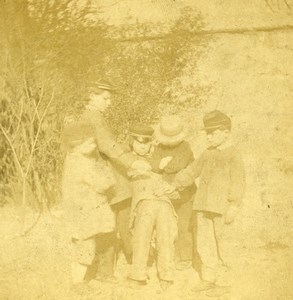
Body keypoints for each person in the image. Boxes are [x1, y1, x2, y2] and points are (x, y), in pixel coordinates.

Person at [174, 110, 246, 296]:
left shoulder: (234, 155)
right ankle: (209, 278)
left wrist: (234, 206)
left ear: (226, 132)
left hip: (222, 209)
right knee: (205, 243)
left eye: (212, 133)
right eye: (206, 133)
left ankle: (225, 281)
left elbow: (238, 182)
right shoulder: (206, 153)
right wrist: (175, 183)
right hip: (202, 207)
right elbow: (192, 171)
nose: (208, 137)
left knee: (224, 243)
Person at [78, 79, 134, 282]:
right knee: (108, 225)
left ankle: (103, 270)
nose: (109, 102)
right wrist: (132, 162)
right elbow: (107, 145)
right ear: (92, 96)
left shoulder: (93, 116)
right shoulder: (93, 117)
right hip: (106, 179)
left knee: (109, 224)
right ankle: (105, 273)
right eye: (105, 98)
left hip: (104, 177)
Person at [61, 122, 116, 285]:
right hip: (86, 212)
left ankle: (81, 278)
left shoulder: (72, 159)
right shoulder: (83, 164)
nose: (94, 147)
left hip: (78, 209)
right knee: (85, 247)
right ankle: (78, 283)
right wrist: (108, 174)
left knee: (83, 245)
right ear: (77, 144)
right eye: (90, 143)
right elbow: (103, 184)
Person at [127, 124, 179, 290]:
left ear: (151, 143)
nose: (142, 145)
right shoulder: (128, 159)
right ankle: (138, 275)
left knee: (166, 235)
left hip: (163, 202)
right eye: (138, 142)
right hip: (143, 203)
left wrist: (169, 189)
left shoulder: (158, 158)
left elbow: (173, 185)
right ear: (131, 142)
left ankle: (167, 275)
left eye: (146, 142)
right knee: (141, 237)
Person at [150, 115, 198, 271]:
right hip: (166, 193)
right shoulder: (159, 148)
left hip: (184, 193)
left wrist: (164, 164)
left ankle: (186, 257)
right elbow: (154, 165)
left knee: (184, 226)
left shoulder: (185, 147)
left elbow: (179, 165)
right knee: (168, 226)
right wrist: (161, 164)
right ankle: (171, 254)